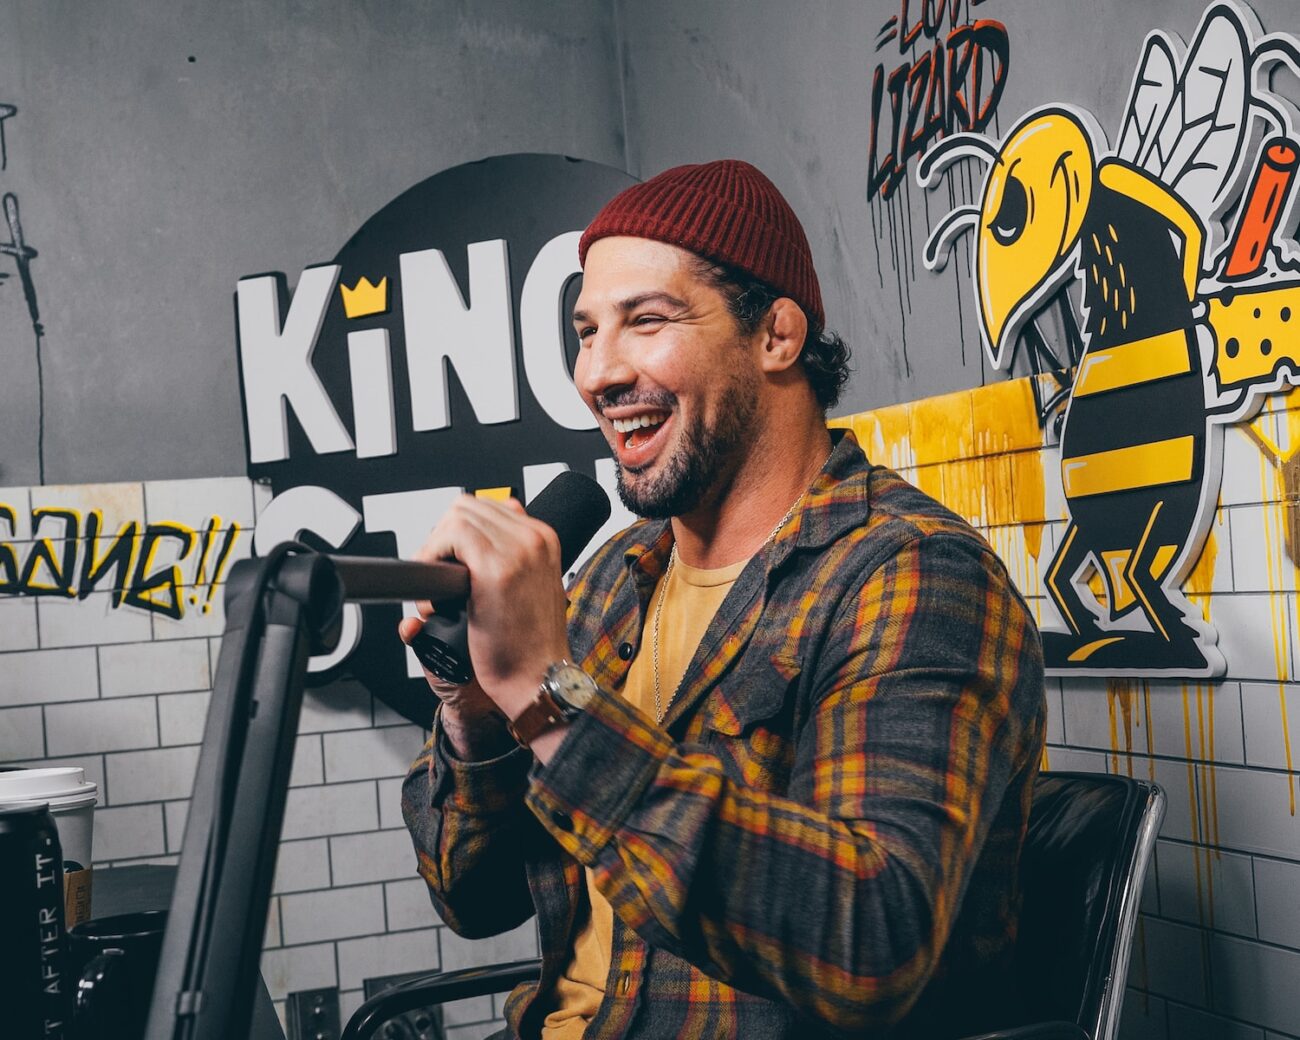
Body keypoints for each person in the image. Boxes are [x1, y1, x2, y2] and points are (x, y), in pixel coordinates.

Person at [400, 159, 1046, 1039]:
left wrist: (550, 700)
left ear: (777, 336)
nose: (597, 373)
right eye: (586, 332)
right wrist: (475, 708)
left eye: (646, 321)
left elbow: (872, 942)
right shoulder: (604, 589)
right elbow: (471, 902)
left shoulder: (913, 577)